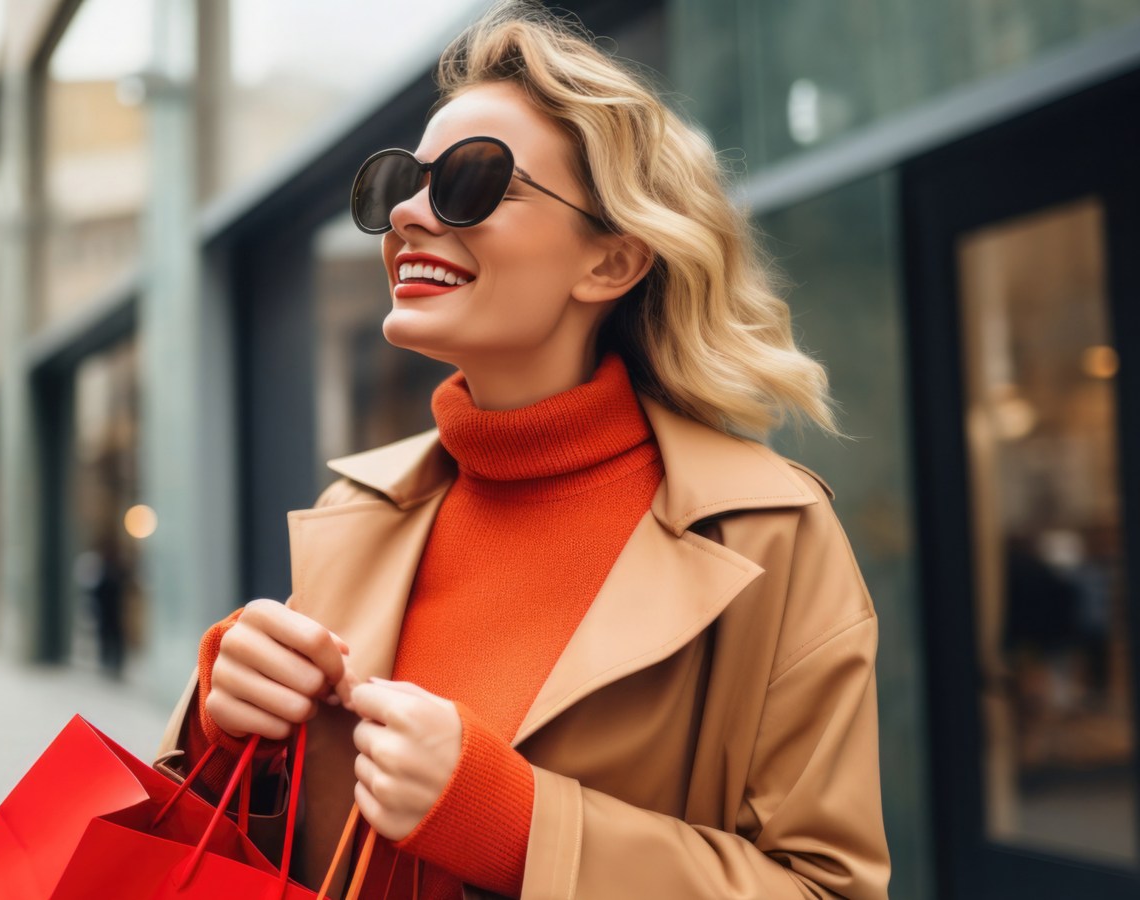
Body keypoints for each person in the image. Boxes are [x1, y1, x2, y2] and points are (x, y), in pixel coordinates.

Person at [157, 2, 891, 897]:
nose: (411, 217)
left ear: (611, 263)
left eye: (470, 182)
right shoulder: (360, 511)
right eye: (403, 183)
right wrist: (220, 726)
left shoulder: (770, 534)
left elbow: (825, 886)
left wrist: (513, 821)